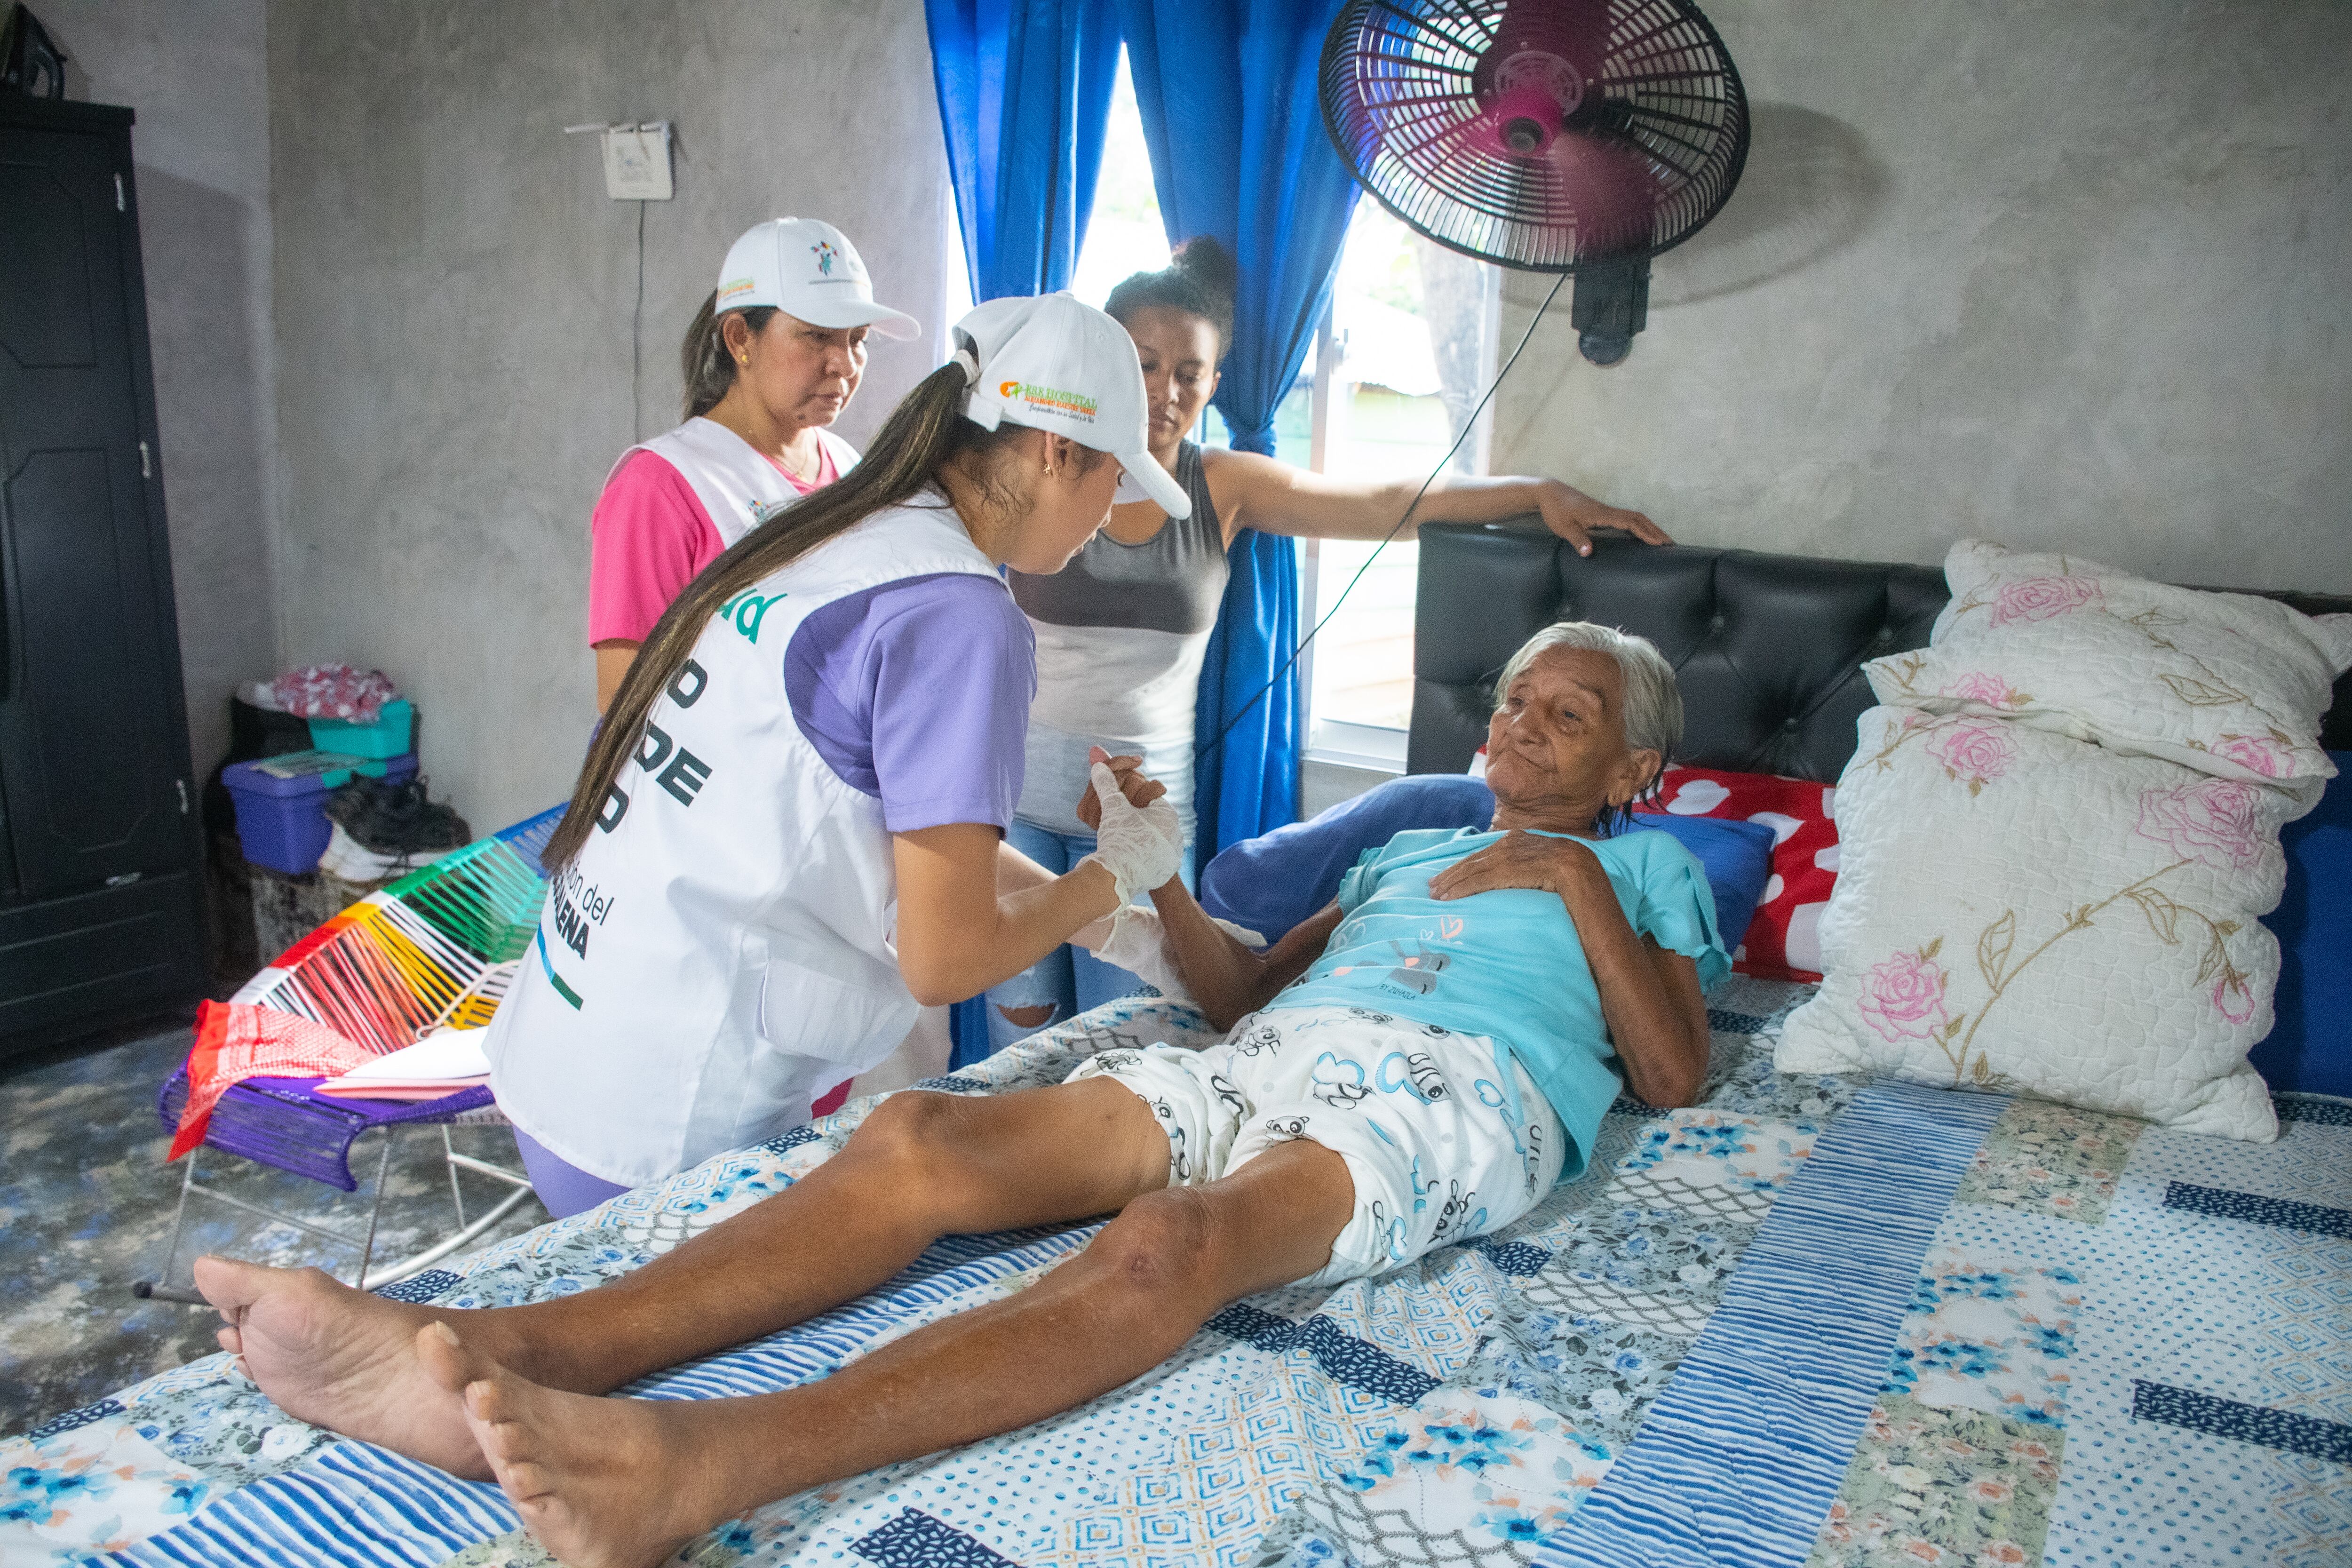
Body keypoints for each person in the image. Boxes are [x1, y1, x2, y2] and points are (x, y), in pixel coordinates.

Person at [195, 621, 1728, 1568]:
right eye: (1517, 699)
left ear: (1635, 770)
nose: (1520, 725)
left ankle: (704, 1463)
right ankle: (479, 1348)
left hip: (1449, 1097)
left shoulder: (1647, 862)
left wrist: (1572, 875)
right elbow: (1246, 997)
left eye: (1566, 715)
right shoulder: (1400, 851)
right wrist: (1150, 870)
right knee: (922, 1133)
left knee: (1169, 1245)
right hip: (1285, 1052)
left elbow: (1673, 1071)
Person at [488, 290, 1200, 1217]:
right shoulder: (960, 618)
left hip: (568, 1049)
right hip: (669, 1121)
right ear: (1055, 451)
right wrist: (1110, 878)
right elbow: (946, 960)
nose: (1111, 511)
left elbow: (890, 824)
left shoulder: (846, 525)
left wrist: (1116, 928)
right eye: (1116, 478)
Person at [987, 236, 1674, 1050]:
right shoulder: (1040, 462)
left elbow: (1381, 500)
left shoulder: (1223, 486)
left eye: (1190, 372)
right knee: (1020, 1032)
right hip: (1013, 797)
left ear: (1216, 378)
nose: (1166, 391)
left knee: (1124, 1032)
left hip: (1137, 812)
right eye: (1143, 364)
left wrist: (1533, 492)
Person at [588, 218, 920, 714]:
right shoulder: (661, 485)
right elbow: (623, 697)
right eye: (817, 336)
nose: (845, 364)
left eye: (857, 339)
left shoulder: (852, 469)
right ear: (741, 338)